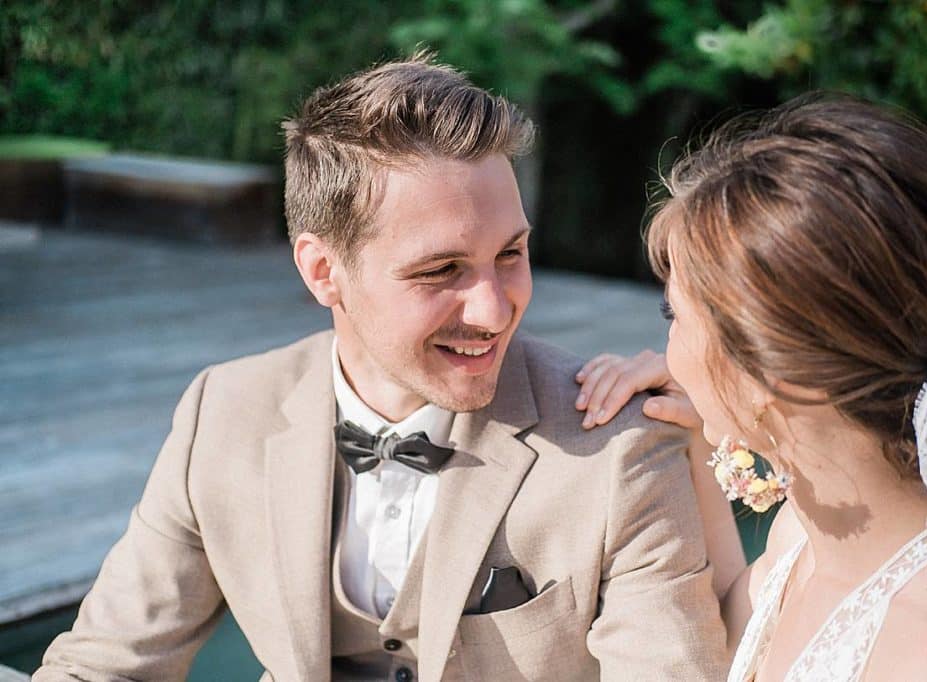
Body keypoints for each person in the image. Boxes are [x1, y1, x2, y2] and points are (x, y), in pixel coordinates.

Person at [33, 56, 731, 681]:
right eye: (442, 269)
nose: (493, 309)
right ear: (322, 270)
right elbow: (104, 666)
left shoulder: (617, 445)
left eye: (511, 255)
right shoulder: (222, 413)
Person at [576, 94, 927, 680]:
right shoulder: (803, 534)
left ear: (772, 376)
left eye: (674, 316)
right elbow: (733, 637)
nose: (669, 351)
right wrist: (693, 431)